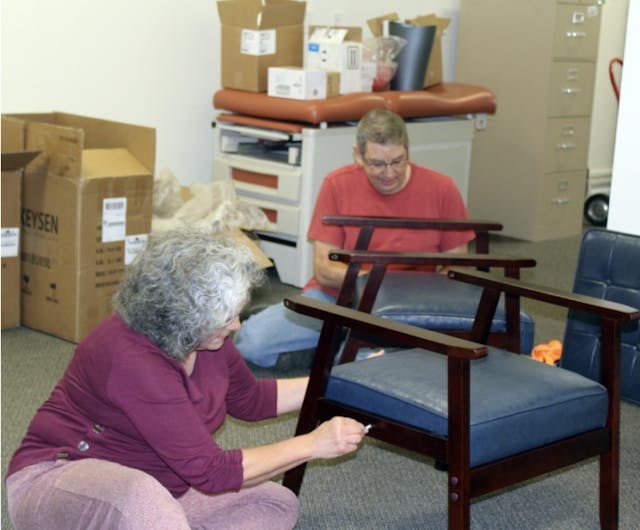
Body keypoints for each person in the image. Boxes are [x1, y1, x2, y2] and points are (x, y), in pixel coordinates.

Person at [5, 229, 368, 530]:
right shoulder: (131, 359)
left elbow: (251, 400)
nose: (236, 326)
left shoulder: (205, 335)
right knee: (144, 504)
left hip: (158, 482)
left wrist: (345, 384)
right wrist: (312, 444)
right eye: (227, 317)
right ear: (183, 317)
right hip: (60, 481)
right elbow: (212, 472)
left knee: (275, 504)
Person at [235, 109, 474, 368]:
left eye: (398, 161)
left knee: (356, 367)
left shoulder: (442, 188)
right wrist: (369, 283)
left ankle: (339, 346)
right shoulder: (336, 185)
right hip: (338, 297)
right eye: (377, 164)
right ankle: (334, 341)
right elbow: (325, 270)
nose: (390, 173)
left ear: (407, 150)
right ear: (358, 155)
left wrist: (412, 301)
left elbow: (458, 267)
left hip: (405, 306)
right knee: (250, 342)